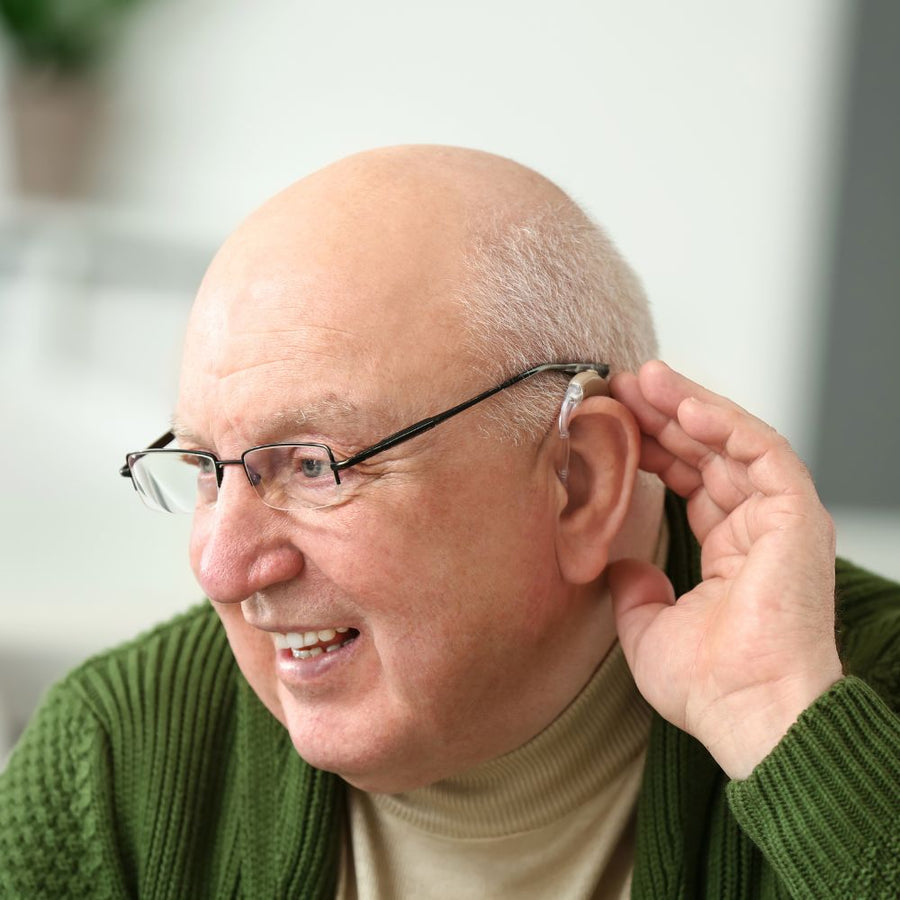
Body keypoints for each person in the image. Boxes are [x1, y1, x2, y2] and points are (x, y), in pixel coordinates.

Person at [1, 145, 898, 899]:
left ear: (578, 481)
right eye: (205, 469)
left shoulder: (861, 701)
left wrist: (788, 729)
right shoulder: (114, 757)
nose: (224, 568)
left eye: (314, 465)